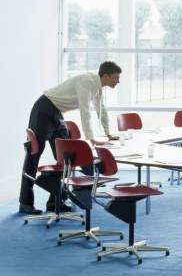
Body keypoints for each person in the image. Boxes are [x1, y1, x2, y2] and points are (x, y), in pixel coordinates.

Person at [19, 61, 121, 214]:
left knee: (67, 156)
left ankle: (55, 202)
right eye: (116, 77)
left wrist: (108, 134)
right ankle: (25, 202)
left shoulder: (97, 87)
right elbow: (85, 112)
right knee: (34, 154)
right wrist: (91, 138)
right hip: (44, 109)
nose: (118, 81)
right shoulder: (86, 82)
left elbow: (102, 110)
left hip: (56, 112)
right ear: (105, 76)